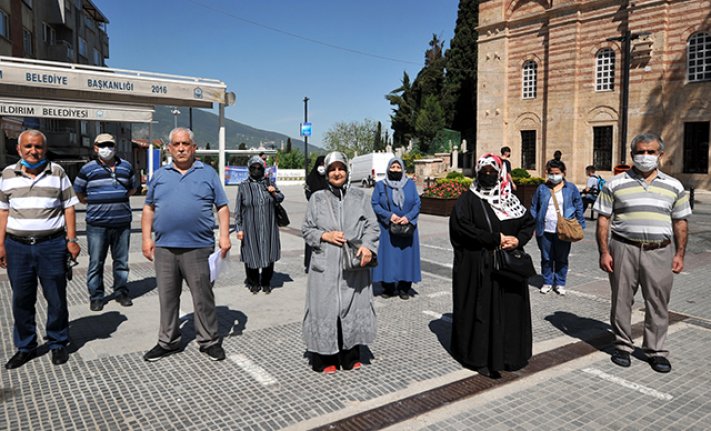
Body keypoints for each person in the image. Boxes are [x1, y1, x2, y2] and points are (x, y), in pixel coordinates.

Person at [594, 133, 691, 373]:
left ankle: (655, 351)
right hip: (623, 248)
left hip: (660, 251)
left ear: (661, 154)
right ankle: (622, 345)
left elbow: (680, 223)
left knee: (658, 302)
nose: (645, 157)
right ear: (632, 155)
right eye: (640, 152)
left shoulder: (674, 186)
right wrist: (604, 252)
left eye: (651, 152)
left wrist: (679, 254)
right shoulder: (615, 183)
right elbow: (603, 220)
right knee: (621, 300)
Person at [141, 127, 231, 362]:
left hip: (198, 247)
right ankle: (168, 341)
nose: (181, 148)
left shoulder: (208, 173)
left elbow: (222, 206)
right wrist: (146, 238)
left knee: (203, 297)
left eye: (186, 144)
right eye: (176, 144)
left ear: (194, 147)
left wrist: (224, 236)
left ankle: (209, 340)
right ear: (169, 148)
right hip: (165, 249)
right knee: (167, 298)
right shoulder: (159, 176)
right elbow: (148, 208)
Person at [449, 153, 535, 378]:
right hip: (481, 268)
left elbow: (528, 223)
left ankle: (510, 356)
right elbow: (461, 229)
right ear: (478, 172)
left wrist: (518, 240)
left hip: (508, 268)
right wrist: (494, 239)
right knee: (483, 313)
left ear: (500, 173)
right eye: (484, 171)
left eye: (492, 172)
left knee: (509, 312)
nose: (488, 175)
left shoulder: (510, 199)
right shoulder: (468, 200)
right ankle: (481, 358)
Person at [0, 129, 80, 369]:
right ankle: (26, 346)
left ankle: (57, 342)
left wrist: (72, 239)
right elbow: (3, 211)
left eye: (38, 147)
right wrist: (1, 244)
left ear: (44, 149)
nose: (33, 151)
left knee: (56, 297)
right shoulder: (6, 174)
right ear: (19, 149)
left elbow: (69, 208)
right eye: (28, 147)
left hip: (51, 245)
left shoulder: (57, 173)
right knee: (21, 299)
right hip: (17, 247)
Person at [302, 151, 379, 374]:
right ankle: (325, 359)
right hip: (324, 266)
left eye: (341, 168)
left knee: (351, 307)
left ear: (347, 170)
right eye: (333, 169)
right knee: (326, 310)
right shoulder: (317, 198)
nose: (337, 173)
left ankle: (350, 355)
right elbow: (307, 229)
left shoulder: (359, 196)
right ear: (326, 173)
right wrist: (324, 236)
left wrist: (367, 246)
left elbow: (372, 226)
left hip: (353, 265)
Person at [74, 133, 140, 311]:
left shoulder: (126, 166)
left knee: (121, 261)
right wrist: (91, 201)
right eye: (102, 145)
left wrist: (119, 197)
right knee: (96, 261)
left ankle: (121, 292)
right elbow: (78, 191)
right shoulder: (87, 169)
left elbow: (133, 187)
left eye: (110, 144)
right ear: (95, 147)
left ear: (115, 146)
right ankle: (96, 296)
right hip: (97, 224)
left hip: (122, 223)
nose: (106, 148)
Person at [529, 159, 585, 295]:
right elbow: (533, 207)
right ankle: (547, 281)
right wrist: (533, 223)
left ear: (563, 173)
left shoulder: (570, 188)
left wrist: (580, 224)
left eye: (557, 173)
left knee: (561, 257)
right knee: (546, 257)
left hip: (564, 229)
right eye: (551, 173)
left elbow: (578, 206)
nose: (554, 176)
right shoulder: (542, 188)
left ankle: (560, 282)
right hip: (545, 229)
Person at [371, 157, 421, 299]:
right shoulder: (381, 185)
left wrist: (408, 217)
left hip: (407, 227)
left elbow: (417, 203)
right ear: (388, 169)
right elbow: (375, 204)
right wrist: (389, 216)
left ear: (403, 169)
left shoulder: (410, 184)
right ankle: (388, 287)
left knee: (406, 256)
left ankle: (405, 287)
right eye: (392, 167)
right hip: (387, 228)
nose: (395, 170)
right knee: (388, 257)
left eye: (398, 168)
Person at [235, 155, 283, 294]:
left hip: (269, 226)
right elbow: (238, 209)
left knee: (269, 254)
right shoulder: (243, 186)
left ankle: (266, 282)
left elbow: (280, 198)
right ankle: (254, 282)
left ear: (263, 169)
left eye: (259, 168)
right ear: (249, 169)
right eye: (253, 168)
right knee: (251, 255)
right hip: (250, 227)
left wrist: (273, 192)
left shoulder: (268, 183)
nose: (256, 170)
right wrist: (239, 228)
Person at [303, 155, 328, 272]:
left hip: (329, 212)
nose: (322, 167)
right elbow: (307, 194)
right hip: (314, 212)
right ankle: (309, 264)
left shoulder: (329, 178)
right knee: (313, 237)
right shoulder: (311, 178)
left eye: (324, 164)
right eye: (320, 164)